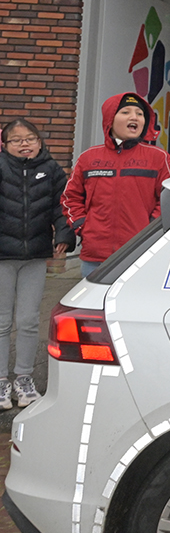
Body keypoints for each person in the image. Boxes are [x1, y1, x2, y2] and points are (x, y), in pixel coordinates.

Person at [0, 119, 73, 408]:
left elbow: (63, 206)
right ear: (5, 145)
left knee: (29, 321)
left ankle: (24, 378)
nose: (25, 144)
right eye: (16, 140)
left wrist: (65, 234)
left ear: (40, 142)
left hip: (35, 256)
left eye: (30, 138)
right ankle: (1, 382)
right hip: (2, 257)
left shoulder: (52, 170)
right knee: (2, 321)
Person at [62, 92, 170, 277]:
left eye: (139, 113)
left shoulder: (158, 158)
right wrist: (83, 226)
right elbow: (70, 197)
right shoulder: (88, 158)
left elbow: (168, 198)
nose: (134, 117)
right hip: (95, 255)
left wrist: (149, 229)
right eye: (126, 112)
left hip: (140, 253)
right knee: (94, 306)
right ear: (109, 119)